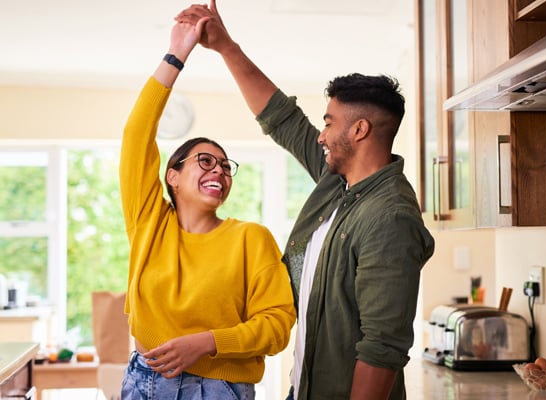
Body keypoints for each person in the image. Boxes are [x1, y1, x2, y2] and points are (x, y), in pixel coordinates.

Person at [177, 3, 435, 399]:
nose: (321, 134)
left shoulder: (390, 218)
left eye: (329, 122)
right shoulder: (339, 184)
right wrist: (227, 47)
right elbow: (284, 121)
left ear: (360, 130)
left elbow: (383, 348)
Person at [119, 14, 296, 400]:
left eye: (224, 165)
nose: (218, 169)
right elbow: (136, 135)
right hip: (143, 380)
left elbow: (278, 324)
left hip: (218, 389)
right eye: (204, 160)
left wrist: (207, 342)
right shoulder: (149, 223)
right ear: (173, 176)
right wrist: (176, 53)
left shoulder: (251, 238)